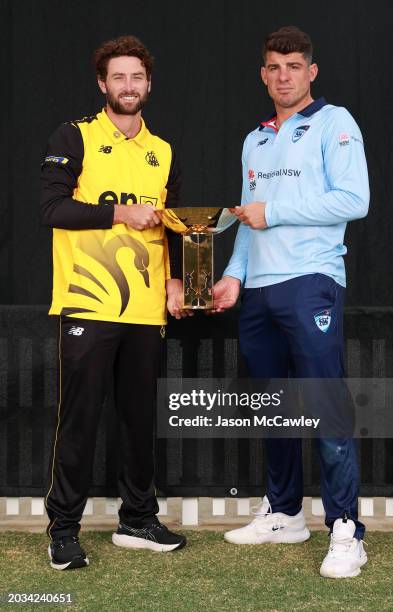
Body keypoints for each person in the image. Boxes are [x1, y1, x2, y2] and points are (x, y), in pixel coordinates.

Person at [213, 26, 369, 579]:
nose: (284, 76)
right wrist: (232, 276)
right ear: (263, 73)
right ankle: (283, 513)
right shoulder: (253, 139)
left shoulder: (334, 122)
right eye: (274, 67)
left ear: (311, 71)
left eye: (294, 66)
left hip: (311, 281)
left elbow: (355, 199)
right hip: (259, 291)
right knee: (275, 407)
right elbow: (246, 222)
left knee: (325, 404)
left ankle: (346, 529)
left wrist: (274, 213)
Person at [40, 35, 189, 570]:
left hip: (147, 310)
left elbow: (171, 226)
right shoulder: (73, 136)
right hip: (88, 301)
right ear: (103, 84)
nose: (129, 86)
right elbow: (53, 208)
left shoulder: (163, 150)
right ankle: (62, 528)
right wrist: (120, 214)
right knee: (78, 419)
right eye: (118, 77)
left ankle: (137, 518)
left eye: (137, 77)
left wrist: (176, 282)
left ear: (149, 84)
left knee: (136, 418)